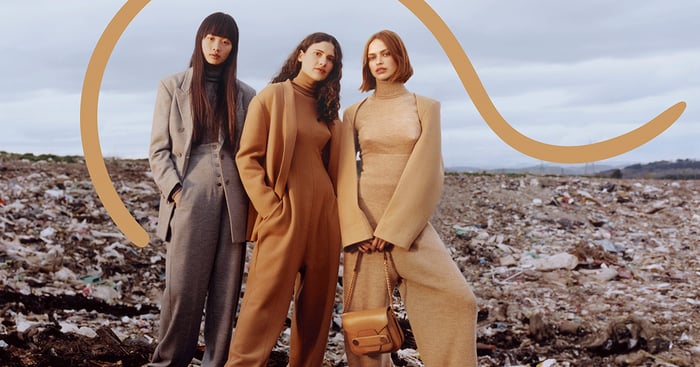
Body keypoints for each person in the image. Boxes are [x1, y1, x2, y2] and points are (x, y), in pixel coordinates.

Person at [336, 30, 478, 367]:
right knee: (364, 324)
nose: (379, 61)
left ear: (400, 57)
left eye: (385, 54)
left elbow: (430, 170)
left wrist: (397, 228)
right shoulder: (354, 113)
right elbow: (344, 174)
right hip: (365, 232)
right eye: (372, 57)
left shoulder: (426, 107)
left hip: (410, 229)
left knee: (459, 300)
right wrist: (356, 231)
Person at [224, 32, 343, 367]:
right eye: (318, 54)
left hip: (324, 218)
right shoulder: (273, 97)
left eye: (330, 59)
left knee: (317, 313)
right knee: (263, 304)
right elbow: (247, 158)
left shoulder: (328, 108)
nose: (323, 62)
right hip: (283, 215)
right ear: (301, 55)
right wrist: (271, 208)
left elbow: (334, 165)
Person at [147, 12, 256, 367]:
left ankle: (215, 362)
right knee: (182, 289)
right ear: (200, 39)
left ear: (233, 48)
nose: (217, 47)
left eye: (226, 42)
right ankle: (168, 361)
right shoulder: (172, 85)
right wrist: (176, 191)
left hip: (234, 199)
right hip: (190, 193)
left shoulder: (245, 95)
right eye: (212, 38)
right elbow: (159, 149)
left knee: (225, 293)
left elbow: (250, 151)